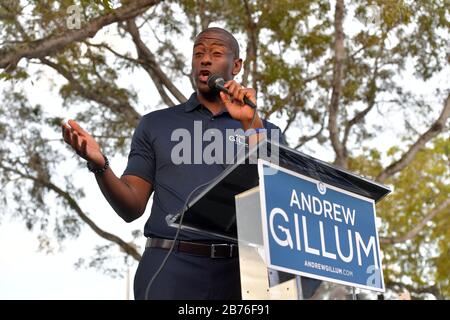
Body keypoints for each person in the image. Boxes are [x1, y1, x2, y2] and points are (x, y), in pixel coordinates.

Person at [61, 27, 284, 300]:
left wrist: (251, 123)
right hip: (169, 267)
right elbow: (131, 207)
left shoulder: (264, 129)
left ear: (236, 65)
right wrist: (100, 165)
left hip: (241, 273)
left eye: (216, 53)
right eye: (199, 53)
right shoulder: (155, 124)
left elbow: (277, 199)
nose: (205, 59)